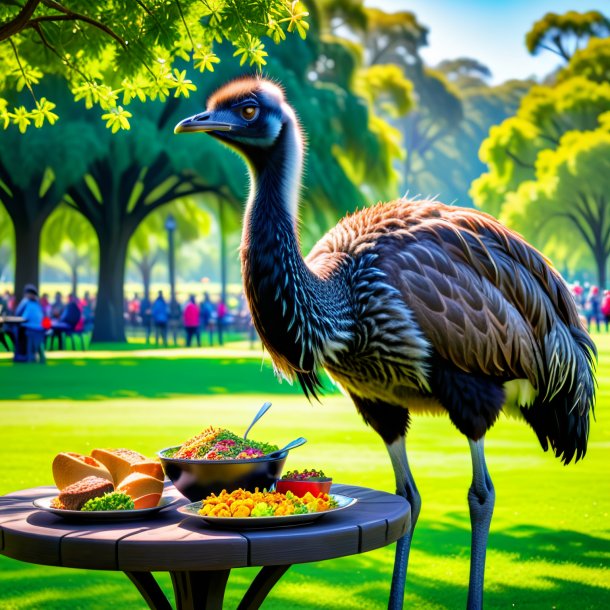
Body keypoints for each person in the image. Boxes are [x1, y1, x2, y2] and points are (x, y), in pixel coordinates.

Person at [14, 284, 45, 362]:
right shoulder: (37, 304)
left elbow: (21, 316)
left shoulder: (27, 303)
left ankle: (21, 355)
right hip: (40, 329)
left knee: (17, 331)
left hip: (30, 328)